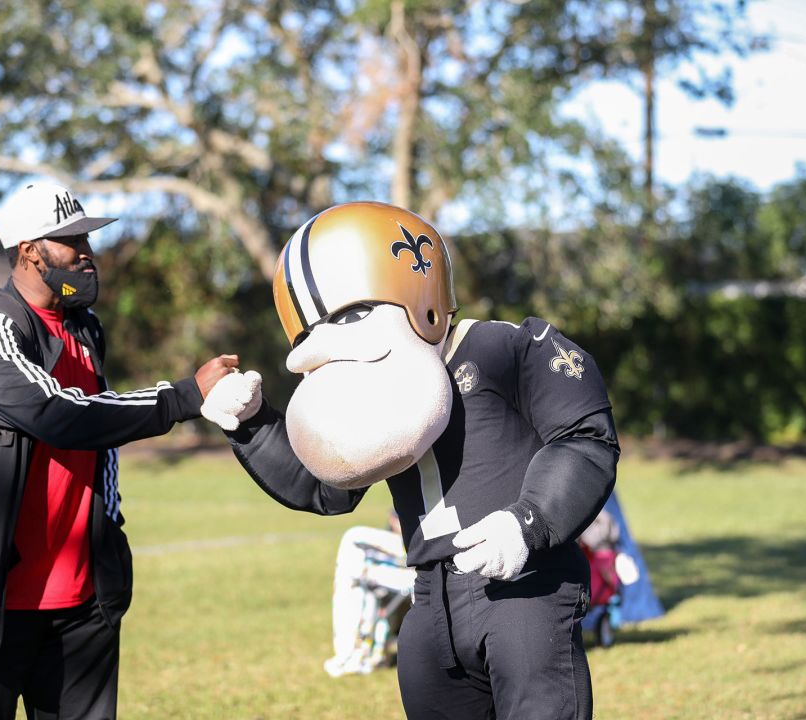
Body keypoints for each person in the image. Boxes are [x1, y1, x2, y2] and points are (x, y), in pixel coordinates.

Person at [203, 201, 620, 719]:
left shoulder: (505, 348)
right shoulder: (374, 390)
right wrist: (252, 425)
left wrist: (527, 523)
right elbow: (326, 487)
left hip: (524, 590)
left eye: (351, 316)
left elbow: (584, 437)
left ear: (418, 295)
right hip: (428, 601)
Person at [0, 180, 241, 719]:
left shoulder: (86, 329)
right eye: (72, 243)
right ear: (28, 252)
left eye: (88, 241)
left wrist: (109, 532)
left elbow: (100, 433)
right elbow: (55, 413)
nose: (87, 256)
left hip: (81, 606)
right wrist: (183, 397)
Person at [324, 511, 416, 677]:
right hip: (406, 572)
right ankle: (364, 652)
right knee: (361, 573)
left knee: (354, 539)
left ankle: (355, 655)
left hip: (422, 561)